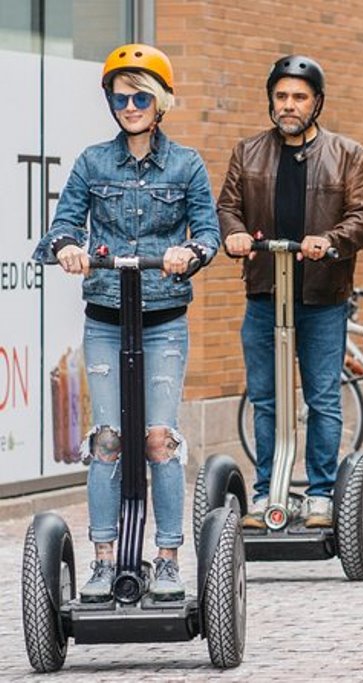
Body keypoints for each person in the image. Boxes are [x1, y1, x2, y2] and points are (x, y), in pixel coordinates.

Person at [32, 44, 221, 602]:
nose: (130, 105)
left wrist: (192, 252)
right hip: (107, 316)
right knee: (108, 440)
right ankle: (104, 558)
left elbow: (208, 233)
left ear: (160, 102)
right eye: (121, 97)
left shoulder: (187, 165)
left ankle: (165, 559)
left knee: (159, 440)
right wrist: (68, 247)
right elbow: (61, 226)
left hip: (162, 317)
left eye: (141, 96)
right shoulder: (93, 162)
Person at [217, 55, 363, 529]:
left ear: (317, 103)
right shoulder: (247, 152)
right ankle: (270, 489)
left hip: (322, 297)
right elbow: (228, 207)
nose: (289, 105)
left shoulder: (347, 154)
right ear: (271, 100)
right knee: (266, 398)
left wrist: (330, 241)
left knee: (322, 398)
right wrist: (235, 234)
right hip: (265, 292)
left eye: (299, 97)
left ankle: (322, 493)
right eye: (282, 96)